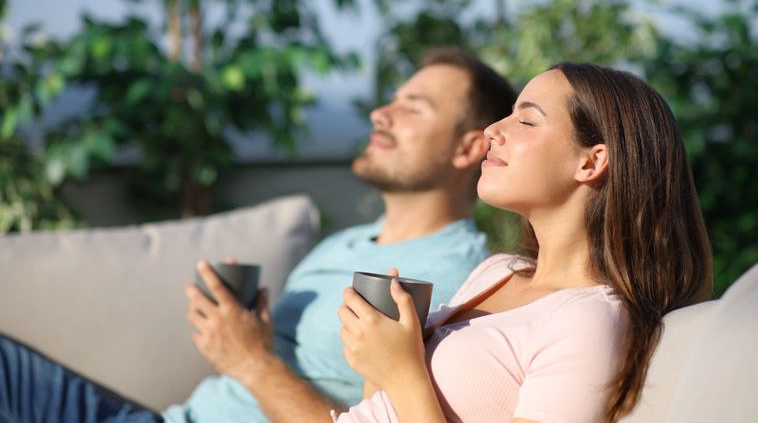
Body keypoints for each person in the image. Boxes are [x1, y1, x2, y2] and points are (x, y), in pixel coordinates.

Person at [0, 47, 517, 423]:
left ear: (469, 148)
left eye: (414, 107)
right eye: (392, 100)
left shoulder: (452, 284)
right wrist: (241, 331)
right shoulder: (348, 242)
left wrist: (249, 359)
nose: (380, 113)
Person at [335, 62, 714, 423]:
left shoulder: (589, 320)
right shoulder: (499, 271)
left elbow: (406, 389)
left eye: (527, 120)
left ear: (591, 162)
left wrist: (402, 372)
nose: (492, 130)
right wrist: (381, 355)